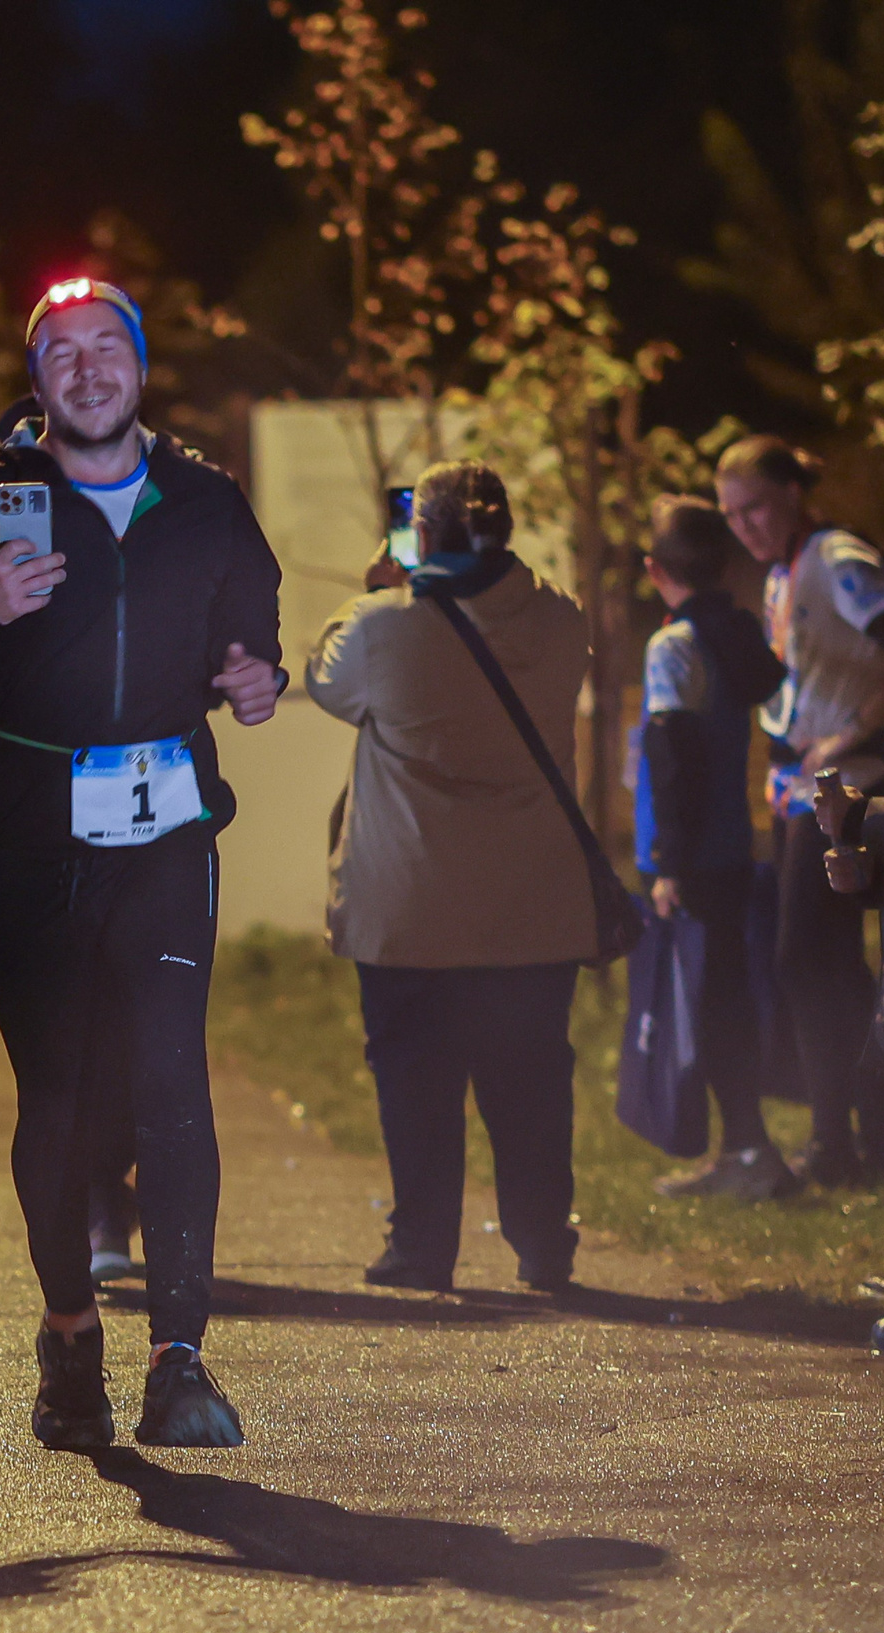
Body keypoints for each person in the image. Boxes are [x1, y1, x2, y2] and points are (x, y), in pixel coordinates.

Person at [0, 276, 282, 1452]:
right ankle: (69, 1335)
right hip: (26, 833)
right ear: (38, 380)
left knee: (168, 1077)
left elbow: (250, 629)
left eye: (108, 348)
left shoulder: (204, 499)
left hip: (163, 829)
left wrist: (254, 677)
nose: (88, 369)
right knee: (57, 1090)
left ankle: (179, 1357)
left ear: (139, 368)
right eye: (62, 353)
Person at [307, 460, 592, 1295]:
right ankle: (542, 1243)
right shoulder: (561, 620)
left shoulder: (379, 627)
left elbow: (327, 681)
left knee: (415, 1082)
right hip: (532, 905)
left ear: (420, 535)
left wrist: (374, 587)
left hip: (411, 909)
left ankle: (422, 1247)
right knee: (533, 1080)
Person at [717, 435, 884, 1189]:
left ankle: (843, 1142)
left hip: (849, 786)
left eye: (755, 505)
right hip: (803, 789)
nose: (745, 524)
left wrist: (856, 731)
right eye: (730, 514)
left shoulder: (835, 556)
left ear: (793, 491)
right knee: (828, 967)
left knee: (811, 960)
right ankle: (854, 1137)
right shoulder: (782, 572)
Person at [632, 495, 793, 1198]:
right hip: (738, 841)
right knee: (732, 990)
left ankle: (749, 1152)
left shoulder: (673, 646)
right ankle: (749, 1147)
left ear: (653, 569)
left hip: (695, 852)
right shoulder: (739, 633)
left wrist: (667, 863)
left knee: (713, 1002)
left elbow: (672, 758)